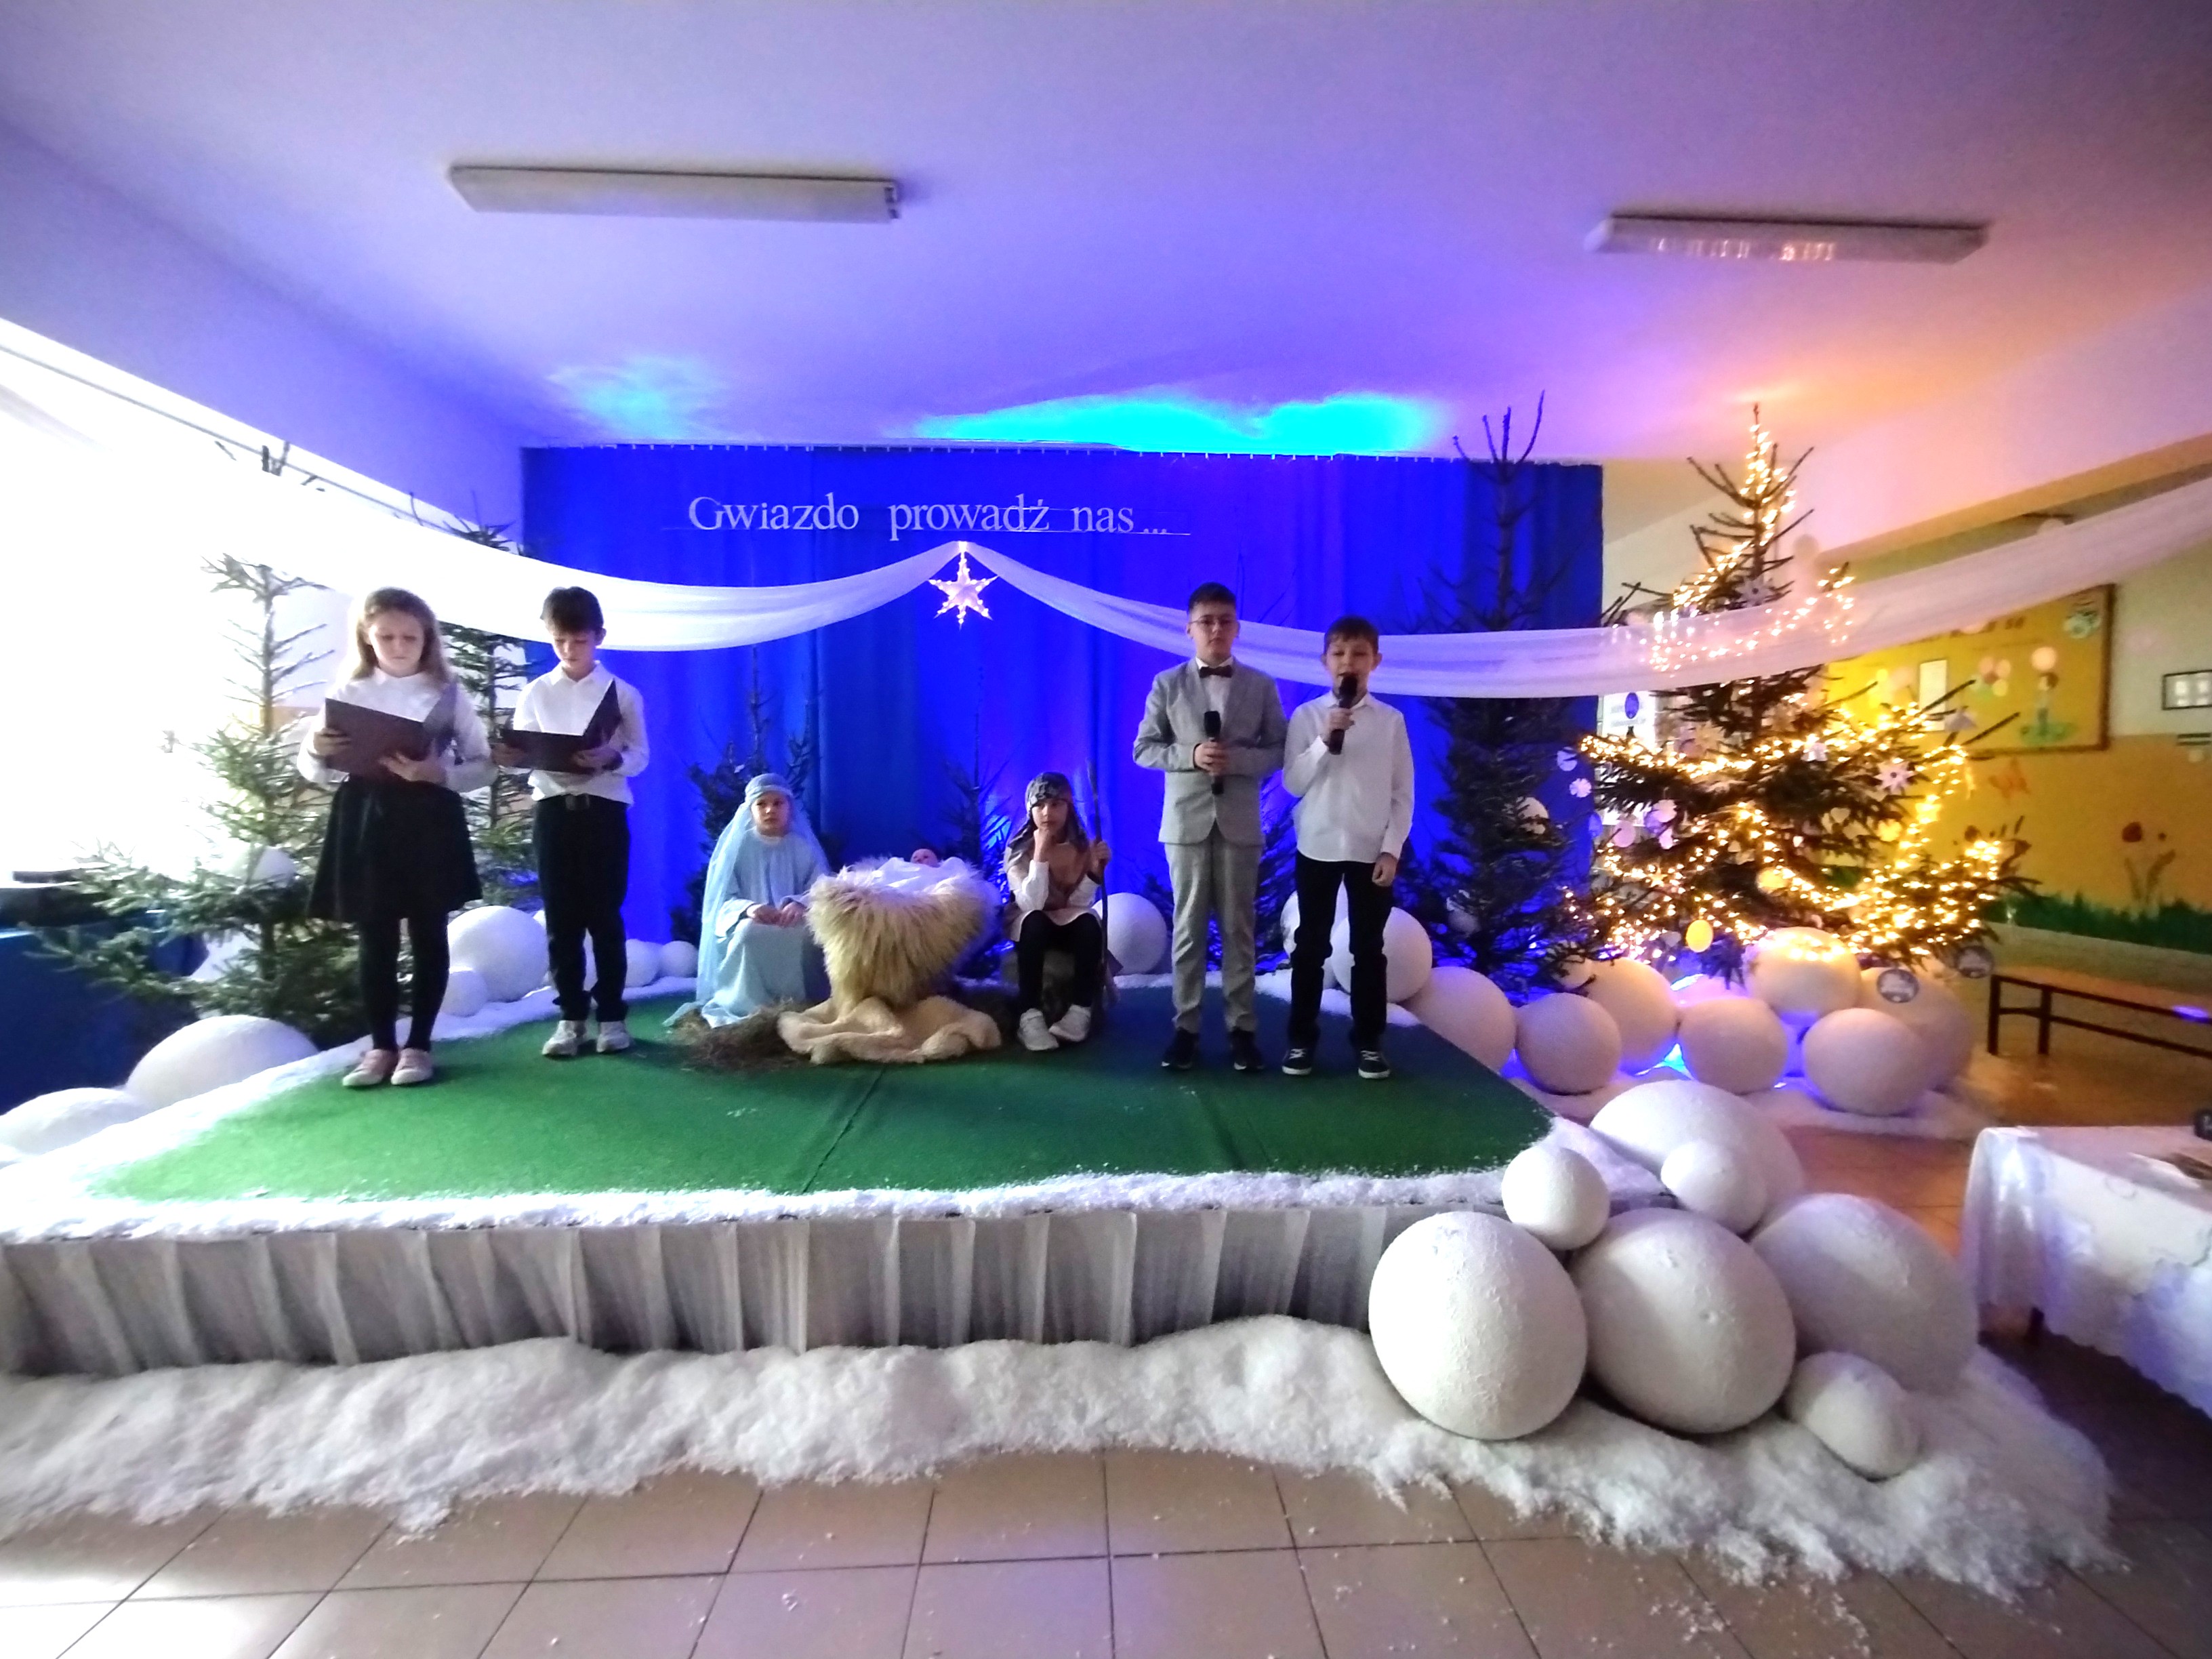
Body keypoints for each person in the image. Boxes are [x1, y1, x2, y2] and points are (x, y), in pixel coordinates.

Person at [299, 587, 493, 1088]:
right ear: (367, 636)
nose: (399, 646)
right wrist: (317, 748)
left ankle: (419, 1046)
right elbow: (314, 770)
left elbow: (484, 765)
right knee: (376, 936)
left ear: (427, 639)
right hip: (366, 815)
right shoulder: (349, 691)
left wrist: (438, 773)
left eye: (410, 637)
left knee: (429, 932)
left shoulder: (447, 692)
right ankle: (381, 1046)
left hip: (428, 815)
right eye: (387, 636)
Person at [1133, 581, 1288, 1071]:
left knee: (1240, 931)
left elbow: (1279, 750)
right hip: (1185, 825)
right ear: (1190, 629)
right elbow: (1143, 749)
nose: (1216, 629)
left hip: (1241, 823)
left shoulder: (1261, 685)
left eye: (1225, 621)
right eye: (1207, 621)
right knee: (1188, 931)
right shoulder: (1166, 684)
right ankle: (1187, 1028)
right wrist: (1192, 754)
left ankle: (1243, 1030)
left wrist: (1236, 761)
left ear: (1237, 628)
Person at [493, 587, 649, 1059]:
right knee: (561, 920)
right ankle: (570, 1018)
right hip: (553, 812)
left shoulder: (623, 694)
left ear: (599, 636)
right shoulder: (536, 692)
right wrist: (512, 757)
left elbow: (640, 756)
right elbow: (523, 750)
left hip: (603, 811)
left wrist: (611, 758)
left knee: (605, 917)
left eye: (579, 640)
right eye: (559, 640)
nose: (568, 649)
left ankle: (613, 1017)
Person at [1280, 614, 1415, 1080]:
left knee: (1368, 949)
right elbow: (1293, 783)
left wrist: (1391, 849)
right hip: (1317, 845)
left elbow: (1402, 792)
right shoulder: (1306, 717)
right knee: (1309, 947)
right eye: (1338, 653)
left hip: (1370, 850)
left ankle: (1369, 1043)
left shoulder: (1391, 722)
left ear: (1375, 661)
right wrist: (1324, 739)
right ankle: (1301, 1040)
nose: (1348, 662)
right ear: (1324, 662)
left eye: (1359, 653)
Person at [672, 773, 828, 1026]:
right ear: (750, 809)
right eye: (762, 804)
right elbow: (723, 899)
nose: (770, 810)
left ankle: (797, 1003)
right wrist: (750, 909)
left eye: (778, 803)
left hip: (793, 921)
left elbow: (822, 888)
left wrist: (800, 903)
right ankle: (751, 1006)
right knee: (748, 934)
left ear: (789, 807)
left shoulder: (802, 847)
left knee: (802, 935)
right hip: (748, 921)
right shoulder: (739, 848)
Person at [1004, 772, 1111, 1052]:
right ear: (1030, 810)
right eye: (1039, 805)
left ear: (1068, 807)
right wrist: (1040, 854)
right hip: (1032, 925)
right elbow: (1032, 904)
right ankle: (1029, 1016)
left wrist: (1094, 872)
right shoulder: (1019, 850)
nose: (1047, 813)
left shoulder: (1080, 847)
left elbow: (1078, 903)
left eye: (1055, 804)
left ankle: (1080, 1011)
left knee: (1089, 923)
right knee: (1035, 921)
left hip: (1065, 920)